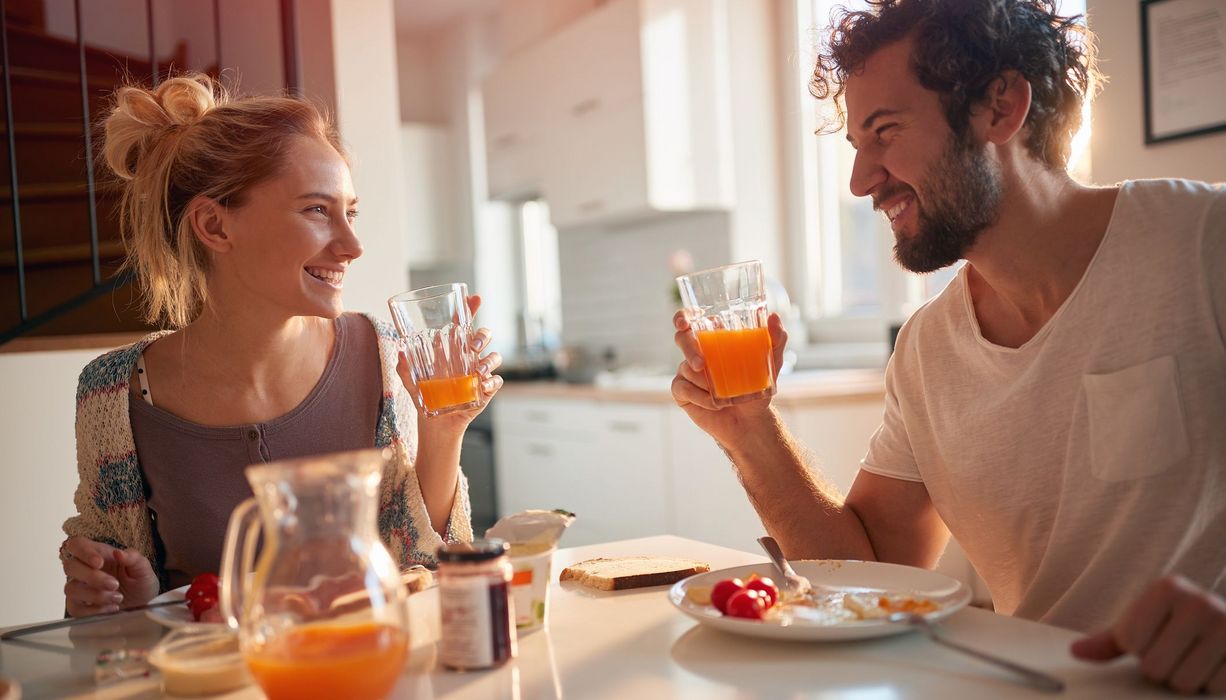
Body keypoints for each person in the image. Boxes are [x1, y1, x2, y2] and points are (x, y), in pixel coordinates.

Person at [671, 0, 1225, 693]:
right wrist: (749, 429)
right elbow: (865, 574)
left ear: (1001, 108)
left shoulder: (1203, 242)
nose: (860, 180)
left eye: (886, 132)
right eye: (856, 147)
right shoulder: (928, 349)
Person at [59, 74, 503, 617]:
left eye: (351, 212)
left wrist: (443, 430)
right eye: (317, 210)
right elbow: (113, 611)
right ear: (214, 226)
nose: (352, 245)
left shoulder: (385, 358)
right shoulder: (114, 395)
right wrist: (125, 600)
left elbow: (423, 575)